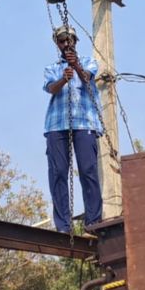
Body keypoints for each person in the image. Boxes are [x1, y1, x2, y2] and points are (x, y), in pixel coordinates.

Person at [43, 25, 103, 233]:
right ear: (57, 44)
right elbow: (51, 88)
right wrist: (63, 78)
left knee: (88, 170)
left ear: (75, 41)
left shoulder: (88, 61)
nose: (66, 43)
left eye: (69, 40)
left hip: (84, 122)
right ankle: (63, 225)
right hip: (56, 125)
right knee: (58, 172)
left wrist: (75, 66)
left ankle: (94, 222)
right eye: (62, 40)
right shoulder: (52, 68)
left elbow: (87, 78)